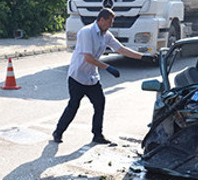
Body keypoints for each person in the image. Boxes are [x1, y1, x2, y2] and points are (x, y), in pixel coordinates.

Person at [51, 8, 155, 145]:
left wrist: (142, 57)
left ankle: (97, 135)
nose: (111, 25)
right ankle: (58, 132)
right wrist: (108, 67)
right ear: (101, 20)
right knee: (73, 106)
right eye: (109, 22)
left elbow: (120, 49)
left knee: (100, 103)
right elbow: (88, 57)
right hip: (77, 76)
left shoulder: (106, 35)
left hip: (92, 77)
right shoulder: (86, 32)